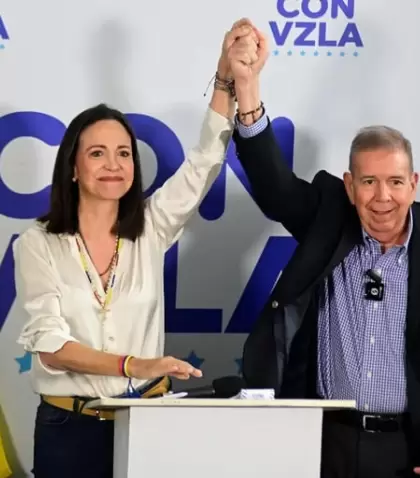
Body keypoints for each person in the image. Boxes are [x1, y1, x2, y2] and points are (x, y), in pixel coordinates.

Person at [13, 20, 254, 478]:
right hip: (69, 428)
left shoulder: (151, 226)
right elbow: (50, 347)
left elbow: (204, 162)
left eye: (124, 153)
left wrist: (225, 80)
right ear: (73, 167)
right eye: (98, 153)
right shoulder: (38, 244)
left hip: (146, 422)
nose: (114, 165)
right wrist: (134, 364)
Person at [227, 20, 420, 478]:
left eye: (395, 182)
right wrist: (247, 89)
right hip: (319, 442)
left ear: (414, 185)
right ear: (350, 187)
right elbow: (274, 188)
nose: (382, 198)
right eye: (369, 183)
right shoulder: (329, 216)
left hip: (406, 450)